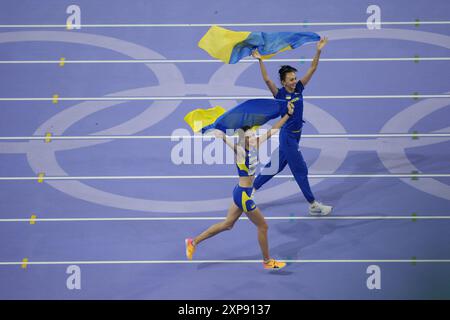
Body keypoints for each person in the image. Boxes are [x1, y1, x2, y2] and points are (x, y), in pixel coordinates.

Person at [185, 102, 295, 270]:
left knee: (227, 224)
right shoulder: (240, 151)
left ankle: (193, 242)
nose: (252, 138)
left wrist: (287, 115)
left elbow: (273, 130)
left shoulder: (255, 144)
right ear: (242, 138)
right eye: (249, 136)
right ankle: (267, 262)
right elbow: (227, 142)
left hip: (240, 192)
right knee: (263, 226)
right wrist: (221, 135)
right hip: (243, 195)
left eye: (253, 135)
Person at [251, 37, 333, 216]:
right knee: (300, 171)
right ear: (283, 82)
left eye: (295, 78)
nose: (294, 81)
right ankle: (313, 204)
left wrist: (318, 50)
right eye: (291, 79)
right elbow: (267, 80)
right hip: (287, 137)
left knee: (276, 166)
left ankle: (251, 190)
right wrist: (260, 60)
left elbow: (312, 68)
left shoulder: (299, 89)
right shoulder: (279, 94)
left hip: (296, 135)